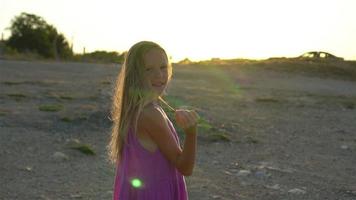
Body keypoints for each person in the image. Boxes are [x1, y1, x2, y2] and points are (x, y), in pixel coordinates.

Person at [108, 41, 199, 200]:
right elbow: (185, 167)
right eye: (148, 69)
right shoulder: (150, 114)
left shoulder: (134, 108)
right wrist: (191, 133)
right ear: (135, 74)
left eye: (163, 67)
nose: (159, 75)